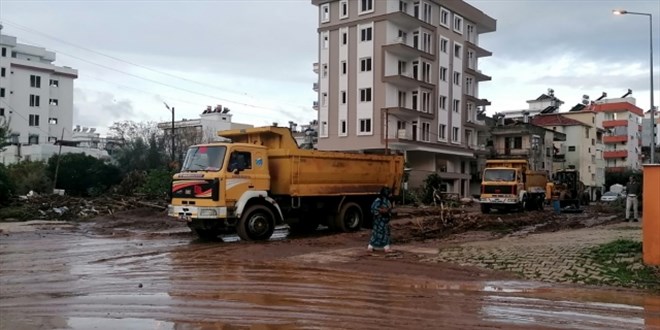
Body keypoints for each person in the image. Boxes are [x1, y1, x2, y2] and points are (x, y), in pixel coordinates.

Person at [368, 187, 394, 253]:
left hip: (385, 220)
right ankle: (371, 247)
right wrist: (381, 211)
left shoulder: (387, 201)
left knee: (385, 233)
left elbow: (389, 209)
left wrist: (388, 211)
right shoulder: (378, 200)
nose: (391, 195)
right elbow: (373, 209)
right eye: (389, 193)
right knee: (377, 233)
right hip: (379, 220)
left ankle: (386, 247)